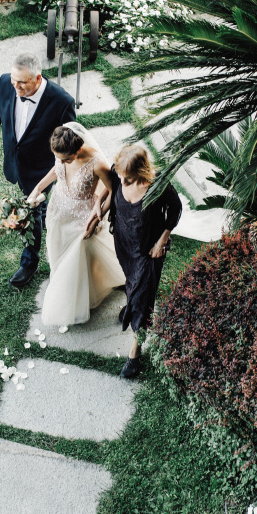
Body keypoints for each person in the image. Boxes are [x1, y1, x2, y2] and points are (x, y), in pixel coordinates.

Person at [0, 54, 76, 288]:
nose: (16, 87)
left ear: (38, 78)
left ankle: (29, 263)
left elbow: (69, 147)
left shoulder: (62, 101)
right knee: (38, 210)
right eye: (14, 81)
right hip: (15, 163)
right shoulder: (6, 82)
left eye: (22, 83)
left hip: (42, 170)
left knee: (32, 212)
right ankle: (44, 214)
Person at [95, 145, 182, 379]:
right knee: (132, 281)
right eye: (121, 176)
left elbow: (175, 210)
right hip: (124, 243)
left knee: (144, 297)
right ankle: (132, 305)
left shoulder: (158, 186)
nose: (122, 181)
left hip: (148, 250)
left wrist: (162, 240)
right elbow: (111, 187)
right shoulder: (119, 173)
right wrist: (98, 208)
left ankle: (135, 351)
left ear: (141, 171)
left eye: (128, 178)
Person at [26, 124, 125, 326]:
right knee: (57, 249)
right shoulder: (62, 154)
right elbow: (56, 170)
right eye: (59, 158)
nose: (62, 162)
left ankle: (75, 298)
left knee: (77, 258)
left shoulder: (97, 163)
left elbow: (113, 191)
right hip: (57, 209)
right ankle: (62, 284)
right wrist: (37, 188)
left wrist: (96, 217)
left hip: (81, 217)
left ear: (77, 150)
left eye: (66, 159)